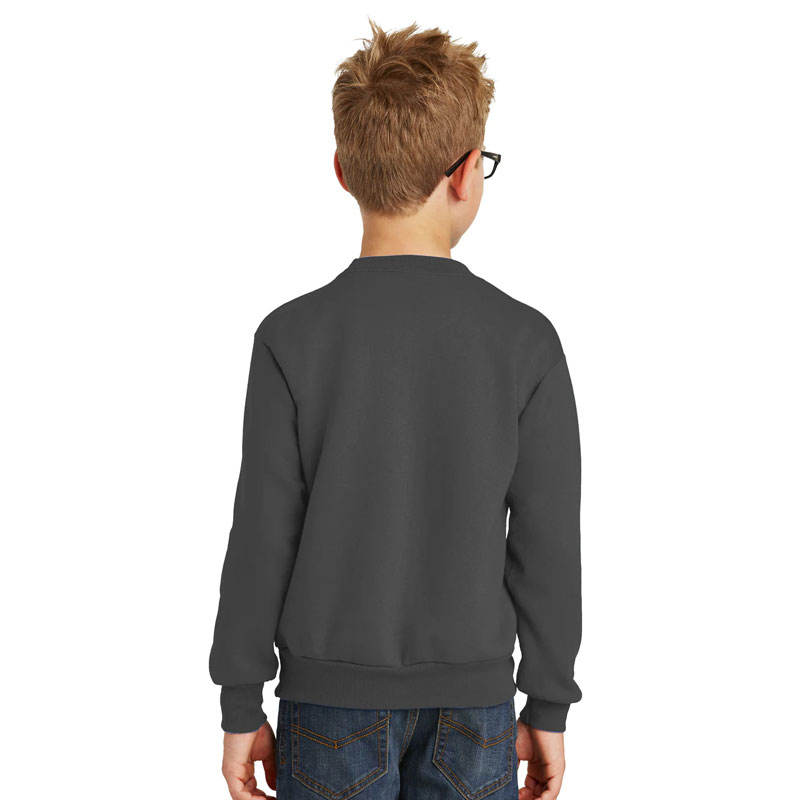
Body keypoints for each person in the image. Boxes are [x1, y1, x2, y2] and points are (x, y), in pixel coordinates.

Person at [211, 22, 582, 800]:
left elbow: (262, 537)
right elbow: (546, 545)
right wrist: (547, 703)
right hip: (475, 710)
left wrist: (242, 701)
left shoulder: (290, 338)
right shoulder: (526, 342)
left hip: (327, 707)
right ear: (466, 175)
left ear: (343, 172)